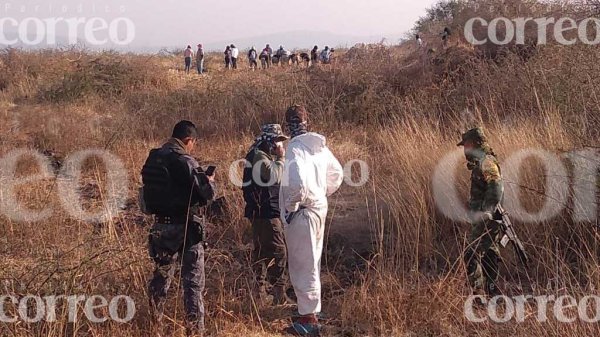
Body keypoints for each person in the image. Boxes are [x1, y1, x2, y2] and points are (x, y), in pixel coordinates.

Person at [142, 120, 216, 337]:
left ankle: (155, 325)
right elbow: (207, 194)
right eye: (193, 143)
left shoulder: (154, 157)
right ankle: (194, 331)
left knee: (161, 277)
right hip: (186, 228)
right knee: (192, 282)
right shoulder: (185, 160)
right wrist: (210, 180)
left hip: (160, 227)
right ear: (188, 140)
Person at [279, 105, 344, 336]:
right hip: (318, 207)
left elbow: (295, 183)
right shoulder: (319, 147)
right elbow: (337, 174)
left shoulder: (295, 148)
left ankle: (308, 321)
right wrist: (320, 192)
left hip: (303, 211)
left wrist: (291, 206)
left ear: (288, 126)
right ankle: (313, 309)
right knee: (313, 259)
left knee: (302, 263)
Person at [243, 124, 290, 304]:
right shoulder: (259, 156)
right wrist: (281, 158)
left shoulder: (257, 154)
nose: (280, 145)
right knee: (279, 251)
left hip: (261, 211)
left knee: (262, 252)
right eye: (278, 141)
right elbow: (273, 176)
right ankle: (279, 295)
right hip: (266, 213)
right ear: (270, 140)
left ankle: (258, 294)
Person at [457, 127, 504, 299]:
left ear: (475, 144)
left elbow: (496, 188)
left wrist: (486, 211)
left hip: (487, 217)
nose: (465, 150)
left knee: (471, 253)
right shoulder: (481, 162)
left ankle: (477, 294)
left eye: (466, 145)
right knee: (489, 253)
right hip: (485, 216)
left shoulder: (487, 162)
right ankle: (491, 291)